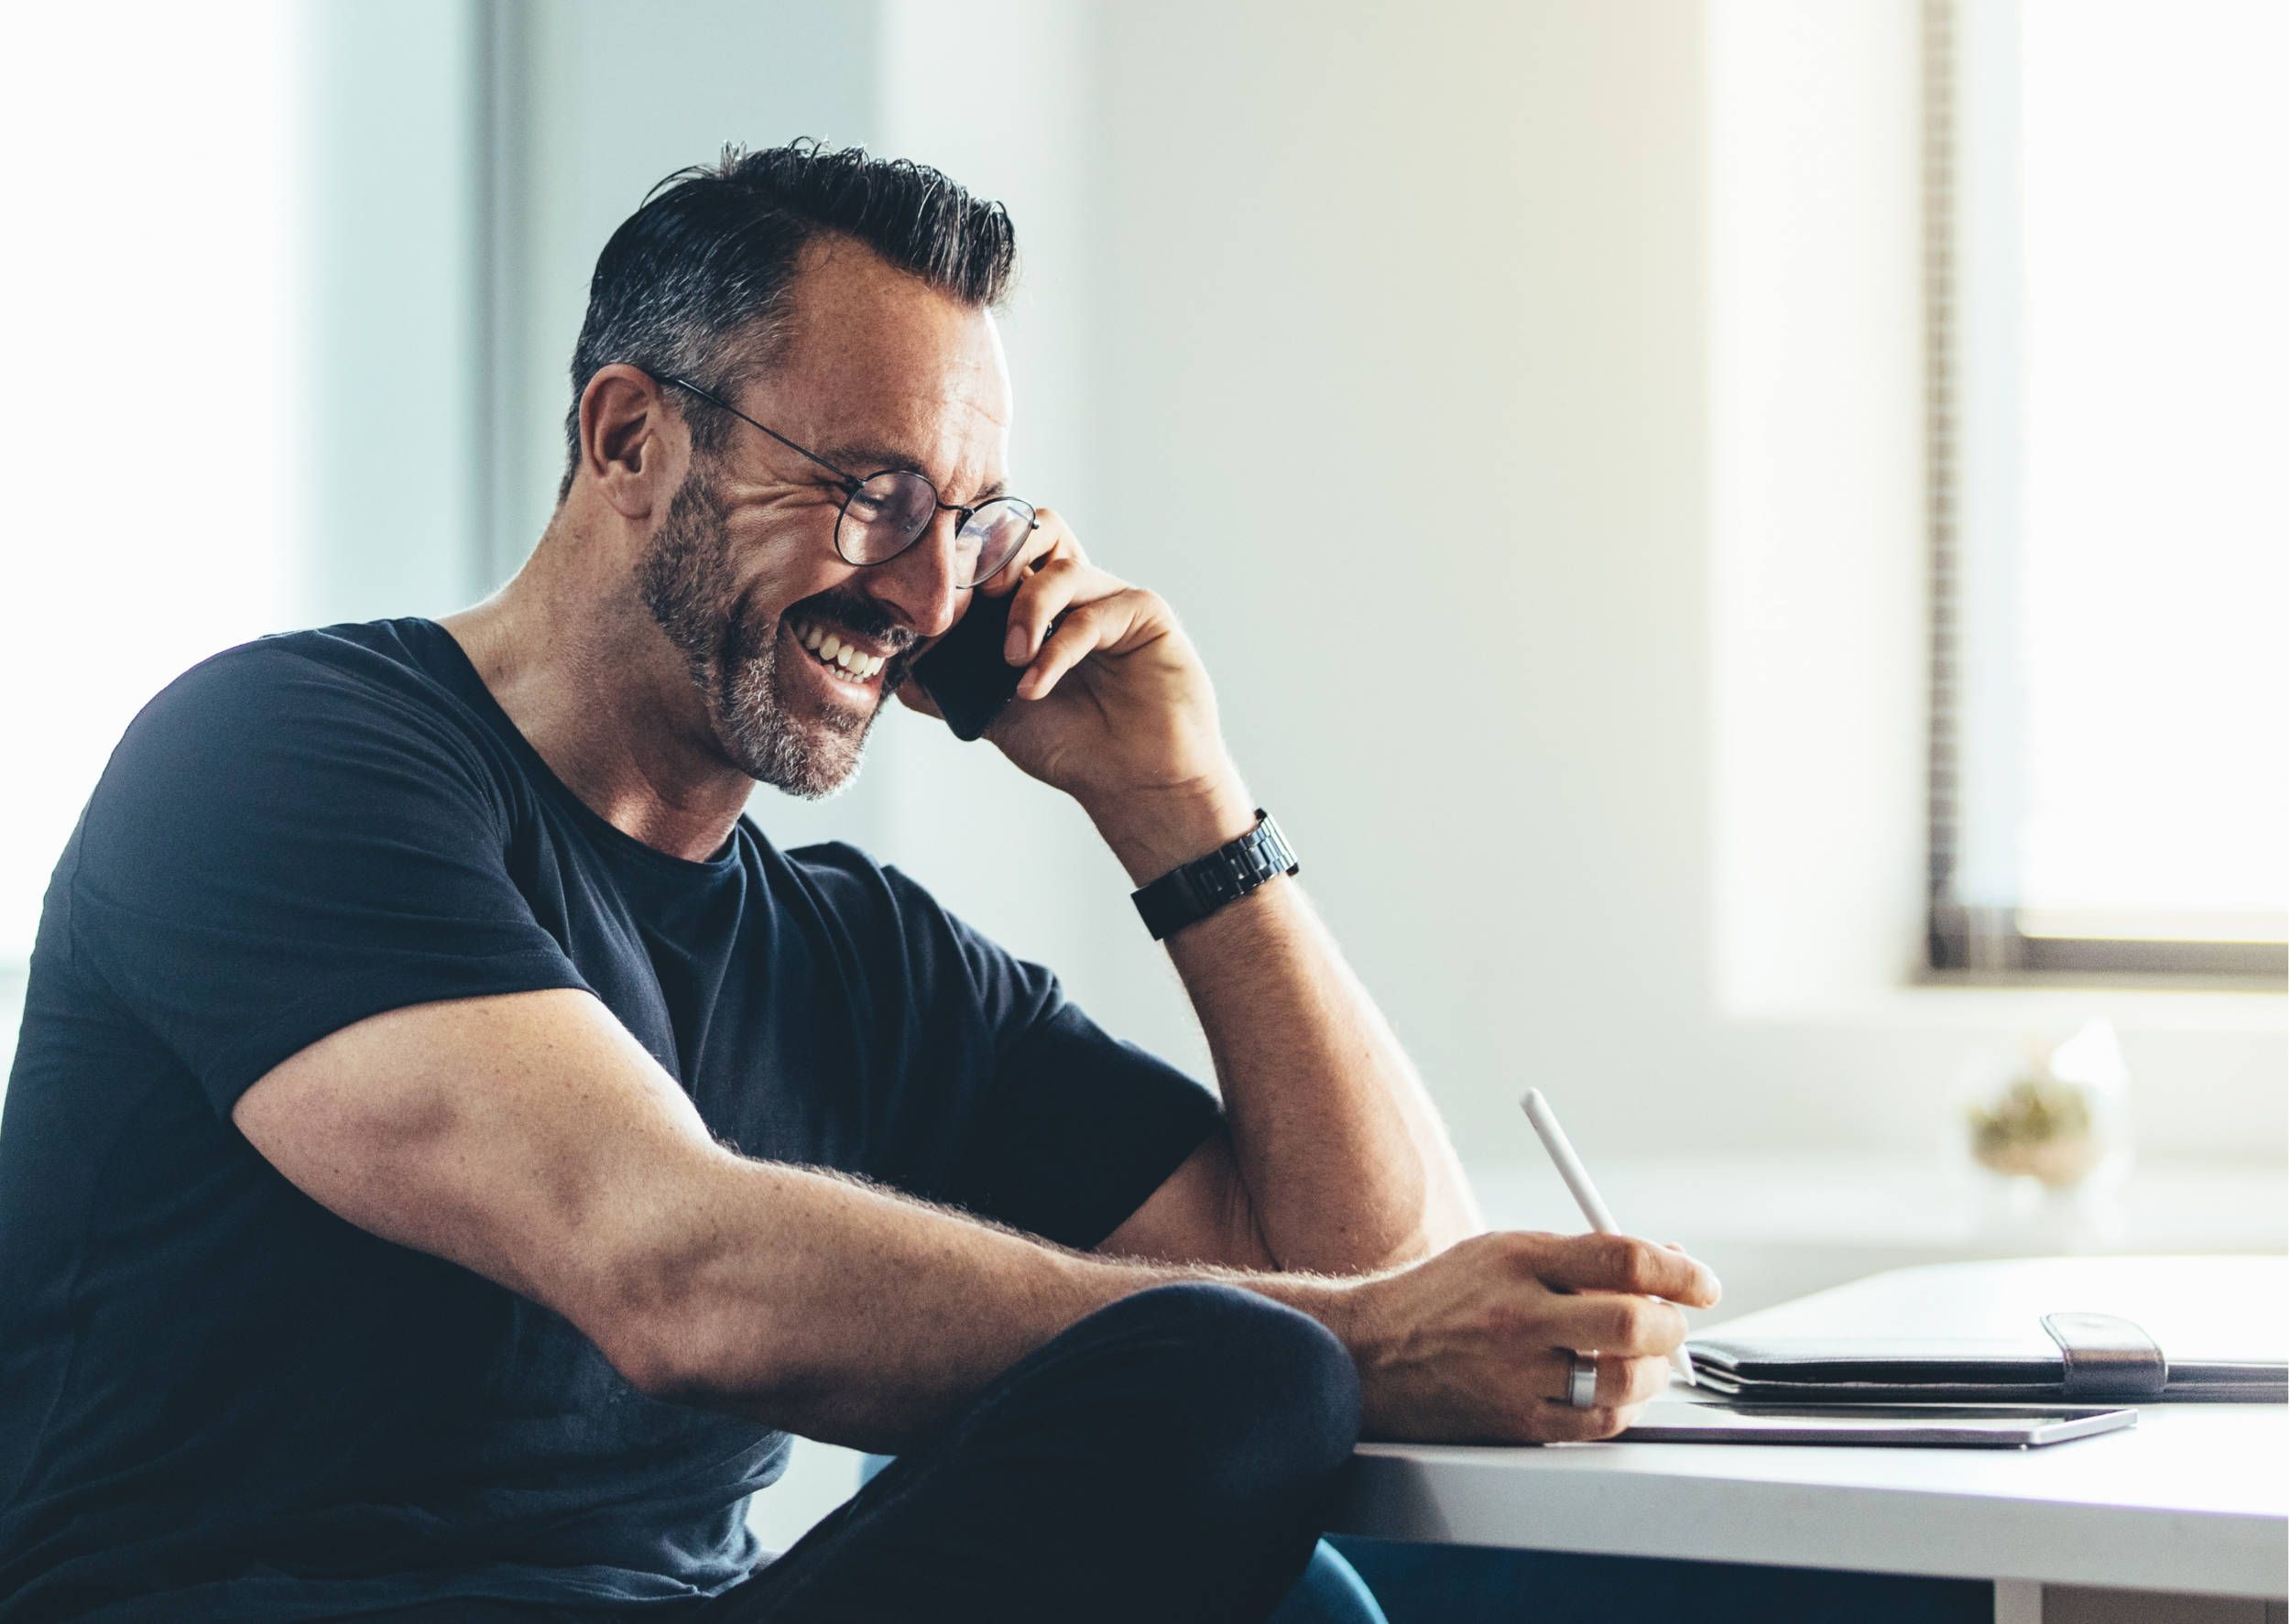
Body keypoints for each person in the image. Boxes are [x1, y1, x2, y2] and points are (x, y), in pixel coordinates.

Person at [0, 141, 1718, 1622]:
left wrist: (1186, 812)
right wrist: (1351, 1343)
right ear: (628, 439)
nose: (928, 593)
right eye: (872, 492)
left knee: (1250, 1391)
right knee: (1250, 1363)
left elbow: (1377, 1274)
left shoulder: (864, 964)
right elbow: (668, 1264)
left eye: (970, 522)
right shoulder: (280, 759)